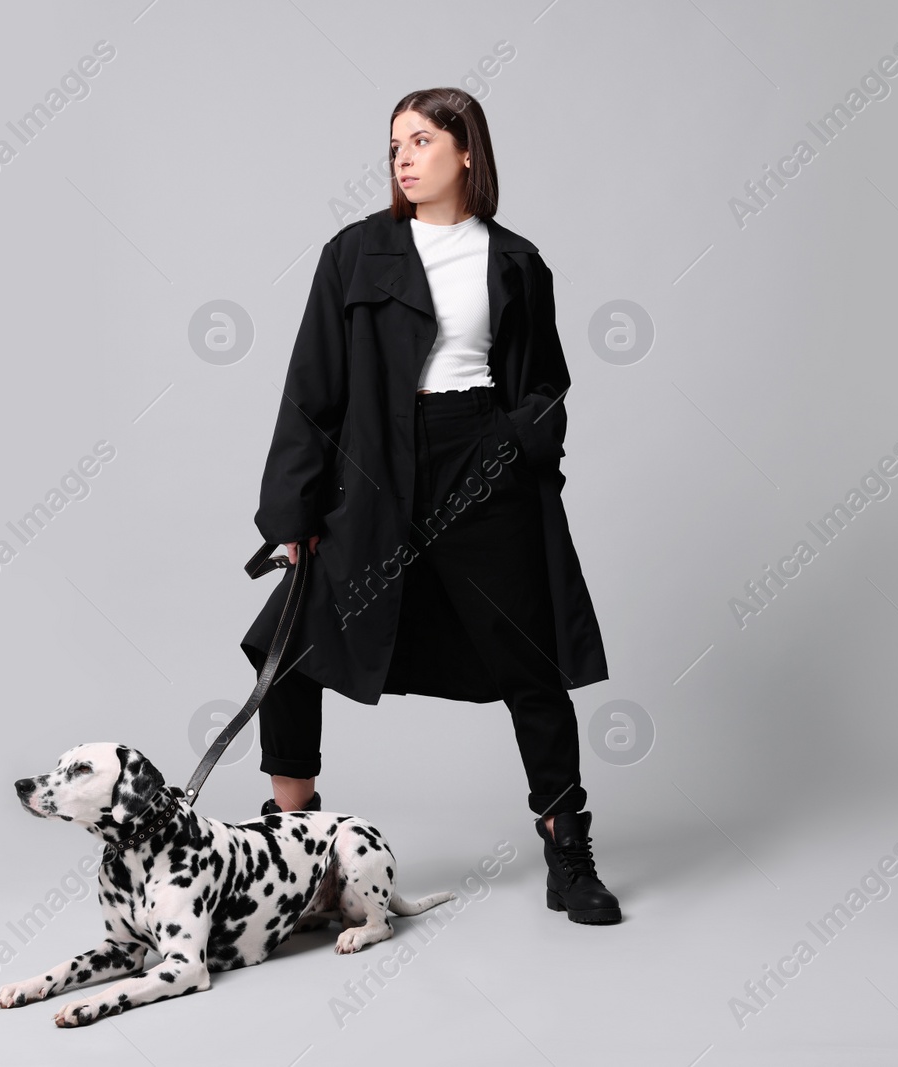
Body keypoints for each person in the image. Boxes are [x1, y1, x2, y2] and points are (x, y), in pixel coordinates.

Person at [241, 88, 619, 924]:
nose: (403, 158)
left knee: (531, 660)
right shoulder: (355, 252)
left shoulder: (515, 261)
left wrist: (516, 447)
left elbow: (547, 384)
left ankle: (568, 851)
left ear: (468, 151)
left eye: (420, 140)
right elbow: (312, 388)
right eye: (393, 146)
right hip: (376, 466)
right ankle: (294, 849)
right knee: (288, 647)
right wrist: (293, 514)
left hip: (480, 462)